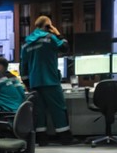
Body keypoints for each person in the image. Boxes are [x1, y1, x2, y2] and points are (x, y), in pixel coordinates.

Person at [20, 15, 78, 145]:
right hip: (50, 81)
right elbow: (64, 47)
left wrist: (28, 84)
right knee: (58, 109)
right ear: (48, 26)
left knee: (39, 111)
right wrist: (58, 33)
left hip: (35, 83)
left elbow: (23, 67)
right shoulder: (50, 38)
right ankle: (65, 138)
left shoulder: (26, 43)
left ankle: (42, 139)